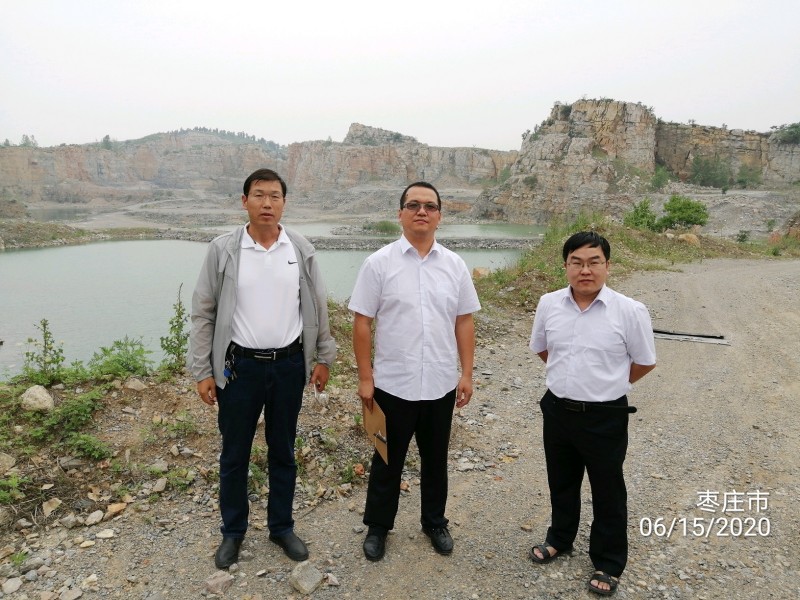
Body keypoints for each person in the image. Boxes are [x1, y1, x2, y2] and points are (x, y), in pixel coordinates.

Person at [187, 168, 336, 569]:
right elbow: (203, 313)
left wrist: (323, 357)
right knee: (235, 454)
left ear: (284, 203)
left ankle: (281, 527)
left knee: (283, 451)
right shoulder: (223, 249)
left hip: (289, 365)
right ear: (244, 201)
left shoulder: (300, 249)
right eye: (258, 195)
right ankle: (233, 532)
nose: (266, 203)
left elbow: (317, 306)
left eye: (274, 196)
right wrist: (203, 370)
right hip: (240, 368)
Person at [348, 181, 481, 561]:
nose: (422, 211)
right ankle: (378, 527)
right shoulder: (379, 263)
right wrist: (365, 378)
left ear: (439, 215)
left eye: (430, 206)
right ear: (400, 213)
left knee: (435, 459)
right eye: (413, 205)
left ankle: (434, 522)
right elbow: (362, 322)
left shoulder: (454, 265)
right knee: (386, 458)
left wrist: (466, 374)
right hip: (393, 384)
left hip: (440, 383)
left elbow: (464, 321)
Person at [528, 231, 656, 596]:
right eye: (577, 262)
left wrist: (609, 384)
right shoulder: (549, 303)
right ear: (566, 266)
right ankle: (560, 538)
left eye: (594, 262)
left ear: (607, 266)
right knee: (561, 480)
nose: (585, 270)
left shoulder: (629, 310)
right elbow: (542, 348)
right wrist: (569, 378)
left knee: (607, 488)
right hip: (557, 409)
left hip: (605, 415)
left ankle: (609, 560)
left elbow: (645, 361)